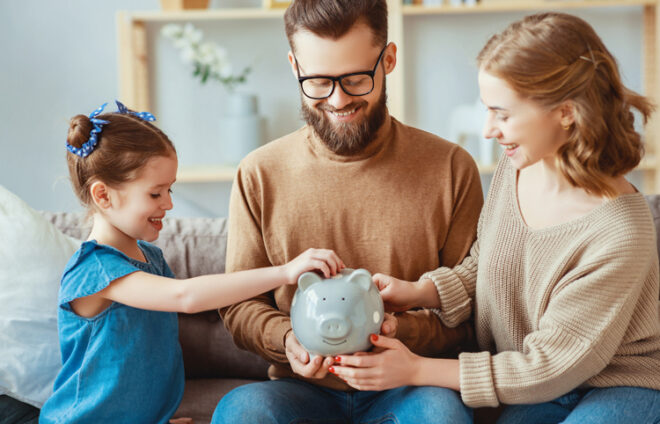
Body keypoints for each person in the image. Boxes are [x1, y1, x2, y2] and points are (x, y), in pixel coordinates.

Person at [329, 12, 660, 424]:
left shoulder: (619, 233)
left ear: (566, 113)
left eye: (502, 114)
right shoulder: (517, 168)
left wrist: (415, 369)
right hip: (533, 385)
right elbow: (487, 266)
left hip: (614, 385)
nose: (488, 130)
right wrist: (418, 292)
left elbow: (552, 365)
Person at [211, 0, 484, 423]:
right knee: (242, 411)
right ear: (294, 66)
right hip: (299, 390)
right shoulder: (259, 173)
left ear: (388, 59)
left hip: (408, 385)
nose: (338, 100)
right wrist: (288, 340)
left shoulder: (450, 168)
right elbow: (239, 304)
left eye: (356, 79)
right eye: (317, 82)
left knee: (441, 417)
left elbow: (471, 306)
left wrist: (398, 333)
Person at [38, 101, 344, 424]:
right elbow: (186, 297)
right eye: (156, 194)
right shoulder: (95, 270)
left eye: (170, 190)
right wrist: (285, 272)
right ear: (103, 196)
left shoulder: (151, 259)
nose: (168, 204)